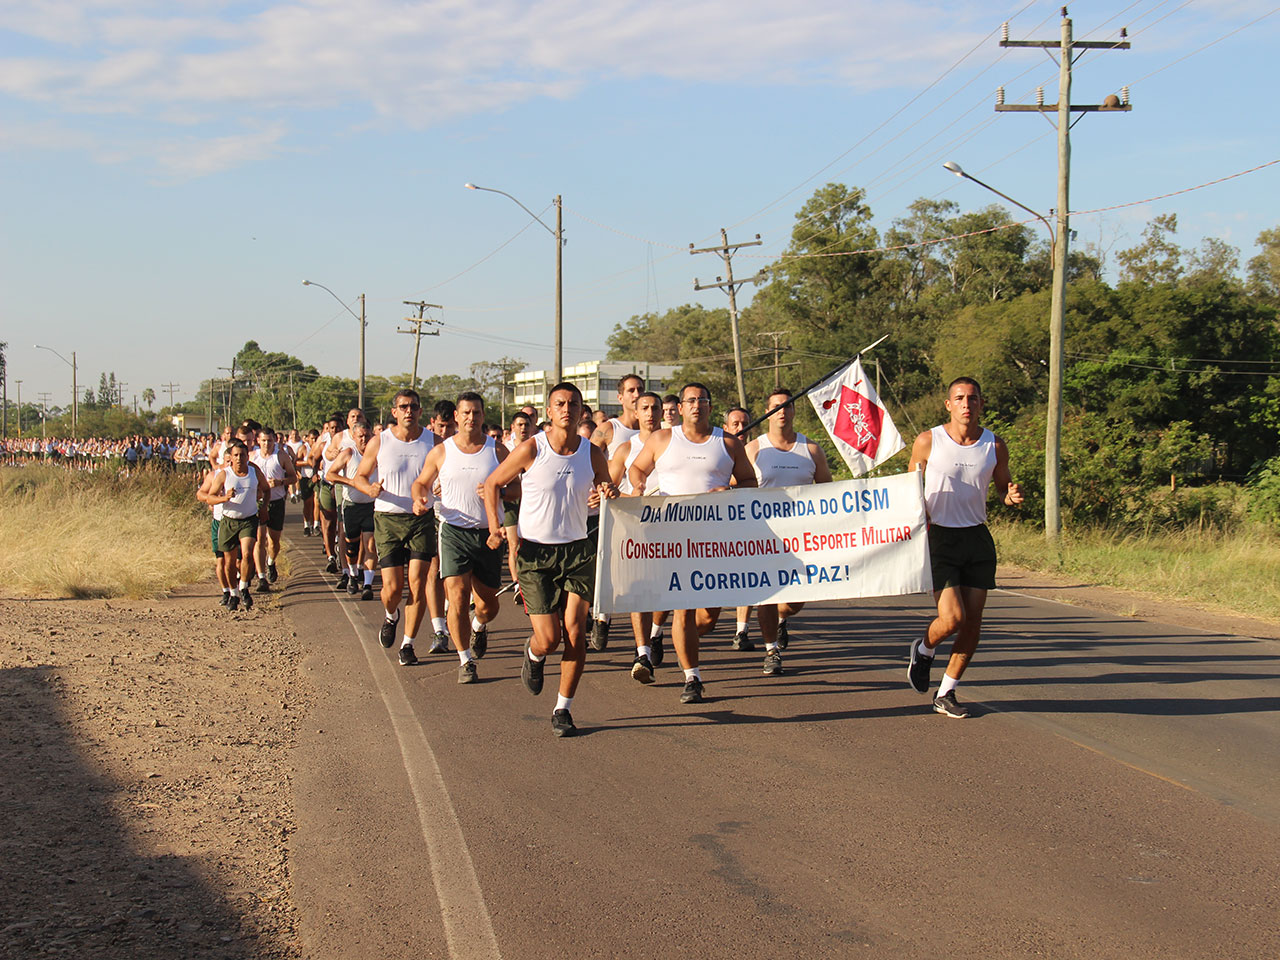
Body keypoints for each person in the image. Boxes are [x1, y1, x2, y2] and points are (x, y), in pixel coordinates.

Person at [483, 382, 619, 737]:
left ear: (581, 411)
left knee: (575, 632)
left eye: (573, 404)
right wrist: (496, 528)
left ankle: (563, 708)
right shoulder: (532, 449)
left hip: (577, 550)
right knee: (550, 638)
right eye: (560, 403)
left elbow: (608, 489)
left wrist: (607, 492)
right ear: (549, 411)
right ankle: (533, 654)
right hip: (535, 553)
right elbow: (493, 483)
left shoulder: (591, 454)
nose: (567, 409)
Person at [628, 382, 757, 704]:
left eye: (702, 400)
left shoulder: (727, 442)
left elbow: (749, 481)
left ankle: (664, 635)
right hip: (672, 536)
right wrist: (638, 484)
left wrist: (728, 491)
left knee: (708, 617)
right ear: (681, 407)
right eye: (690, 400)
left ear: (711, 408)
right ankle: (692, 678)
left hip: (714, 538)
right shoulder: (663, 439)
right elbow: (637, 467)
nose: (696, 405)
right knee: (684, 608)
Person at [906, 377, 1023, 719]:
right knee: (952, 618)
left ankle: (946, 692)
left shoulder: (994, 445)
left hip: (977, 537)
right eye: (959, 398)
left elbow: (1003, 487)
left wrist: (1010, 496)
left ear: (981, 404)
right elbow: (909, 488)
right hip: (940, 537)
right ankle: (924, 649)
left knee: (972, 624)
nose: (966, 404)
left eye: (972, 398)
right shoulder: (928, 441)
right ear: (948, 404)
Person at [411, 392, 509, 683]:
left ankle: (479, 625)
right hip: (453, 531)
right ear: (456, 416)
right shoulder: (442, 451)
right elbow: (421, 483)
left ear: (482, 415)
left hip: (488, 535)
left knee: (488, 605)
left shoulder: (497, 451)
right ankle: (465, 660)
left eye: (476, 413)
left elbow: (519, 488)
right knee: (457, 597)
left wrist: (499, 491)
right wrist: (419, 499)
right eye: (465, 413)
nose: (471, 418)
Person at [745, 388, 834, 676]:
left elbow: (828, 493)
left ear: (794, 411)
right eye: (775, 407)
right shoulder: (755, 449)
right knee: (766, 595)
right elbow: (737, 487)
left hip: (802, 537)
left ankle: (783, 618)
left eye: (787, 406)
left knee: (795, 600)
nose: (782, 411)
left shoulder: (811, 450)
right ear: (767, 411)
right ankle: (771, 650)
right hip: (764, 536)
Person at [351, 390, 438, 666]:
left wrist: (438, 487)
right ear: (394, 412)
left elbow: (448, 473)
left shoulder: (433, 442)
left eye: (413, 406)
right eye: (403, 407)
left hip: (421, 519)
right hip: (387, 519)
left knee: (417, 583)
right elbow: (359, 477)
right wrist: (370, 488)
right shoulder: (380, 442)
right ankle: (391, 616)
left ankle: (408, 644)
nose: (408, 411)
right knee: (391, 588)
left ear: (420, 411)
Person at [609, 390, 669, 683]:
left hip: (671, 528)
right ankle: (642, 652)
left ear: (663, 411)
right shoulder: (625, 448)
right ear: (636, 411)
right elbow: (605, 486)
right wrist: (628, 494)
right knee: (639, 590)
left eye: (654, 407)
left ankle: (656, 633)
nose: (649, 413)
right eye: (644, 407)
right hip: (634, 528)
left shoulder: (674, 442)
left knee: (665, 592)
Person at [587, 373, 645, 651]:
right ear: (620, 397)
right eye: (631, 390)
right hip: (612, 506)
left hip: (645, 511)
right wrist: (593, 489)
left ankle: (647, 639)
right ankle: (602, 616)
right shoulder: (609, 429)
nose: (636, 395)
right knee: (608, 566)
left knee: (638, 571)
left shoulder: (658, 430)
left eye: (640, 390)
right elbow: (585, 457)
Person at [207, 438, 272, 612]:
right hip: (228, 521)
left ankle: (243, 587)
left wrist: (264, 507)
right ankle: (234, 593)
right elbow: (210, 497)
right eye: (235, 455)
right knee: (228, 562)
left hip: (248, 520)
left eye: (242, 455)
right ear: (230, 457)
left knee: (247, 554)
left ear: (247, 457)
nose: (239, 458)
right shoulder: (224, 474)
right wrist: (224, 498)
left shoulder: (254, 471)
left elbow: (266, 489)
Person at [326, 421, 378, 600]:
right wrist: (351, 482)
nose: (364, 439)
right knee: (352, 546)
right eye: (360, 436)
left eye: (367, 436)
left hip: (372, 506)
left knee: (370, 543)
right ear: (354, 438)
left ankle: (368, 584)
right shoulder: (348, 453)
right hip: (351, 506)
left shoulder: (378, 454)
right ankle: (353, 575)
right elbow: (330, 475)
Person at [722, 405, 756, 652]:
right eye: (735, 424)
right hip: (718, 524)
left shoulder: (759, 450)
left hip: (751, 523)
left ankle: (741, 630)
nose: (740, 428)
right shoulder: (719, 450)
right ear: (726, 428)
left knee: (748, 576)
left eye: (744, 423)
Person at [250, 426, 296, 591]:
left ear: (274, 441)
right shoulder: (253, 457)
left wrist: (280, 482)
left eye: (269, 441)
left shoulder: (281, 456)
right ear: (258, 441)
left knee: (274, 541)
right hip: (258, 502)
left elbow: (293, 477)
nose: (266, 444)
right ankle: (261, 577)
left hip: (276, 501)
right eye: (263, 441)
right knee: (259, 539)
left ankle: (270, 562)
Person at [502, 411, 534, 599]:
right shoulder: (505, 449)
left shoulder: (537, 446)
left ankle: (529, 579)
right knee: (514, 543)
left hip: (531, 499)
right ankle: (517, 585)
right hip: (512, 499)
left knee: (528, 542)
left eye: (526, 424)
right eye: (519, 424)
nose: (523, 428)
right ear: (513, 427)